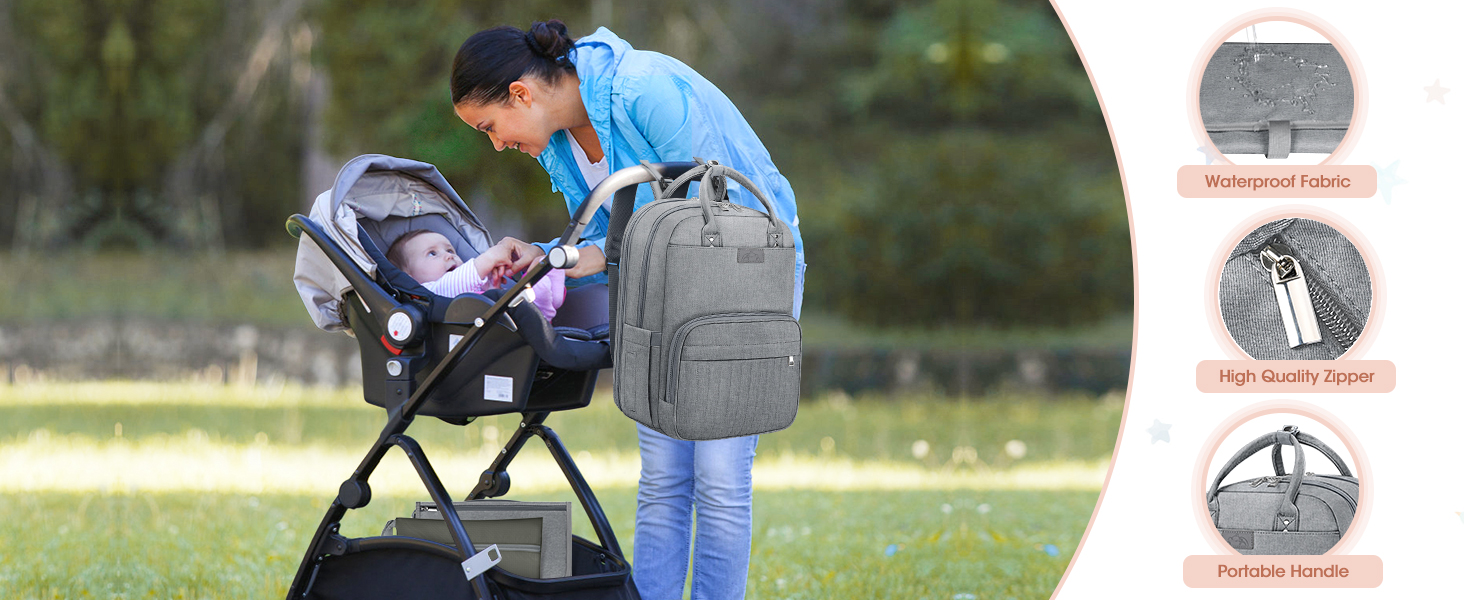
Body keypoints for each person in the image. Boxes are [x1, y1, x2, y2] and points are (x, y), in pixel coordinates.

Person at [450, 20, 805, 600]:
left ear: (521, 93)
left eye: (490, 127)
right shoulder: (560, 141)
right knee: (663, 477)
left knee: (717, 478)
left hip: (743, 280)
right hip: (656, 287)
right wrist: (542, 256)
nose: (495, 143)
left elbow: (719, 200)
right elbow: (599, 238)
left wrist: (595, 255)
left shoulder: (644, 88)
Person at [385, 229, 565, 320]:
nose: (449, 255)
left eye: (449, 249)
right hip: (496, 332)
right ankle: (542, 300)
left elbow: (487, 294)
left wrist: (493, 283)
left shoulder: (465, 281)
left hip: (507, 321)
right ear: (408, 276)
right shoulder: (426, 294)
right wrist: (488, 259)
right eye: (432, 253)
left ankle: (547, 293)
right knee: (524, 297)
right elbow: (456, 282)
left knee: (536, 270)